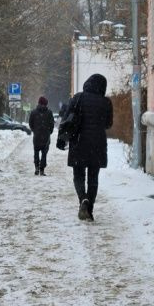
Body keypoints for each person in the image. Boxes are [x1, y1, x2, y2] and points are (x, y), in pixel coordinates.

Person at [61, 74, 112, 221]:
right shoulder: (106, 102)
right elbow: (108, 124)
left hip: (78, 142)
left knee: (78, 175)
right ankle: (90, 210)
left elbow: (66, 118)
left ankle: (83, 199)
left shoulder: (78, 98)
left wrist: (63, 137)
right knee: (93, 178)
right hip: (97, 144)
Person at [28, 96, 54, 176]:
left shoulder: (33, 112)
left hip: (37, 136)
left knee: (36, 152)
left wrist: (35, 130)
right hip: (46, 136)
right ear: (46, 104)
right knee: (44, 153)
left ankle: (36, 168)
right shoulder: (49, 112)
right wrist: (49, 132)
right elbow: (52, 124)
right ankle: (42, 170)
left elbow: (30, 123)